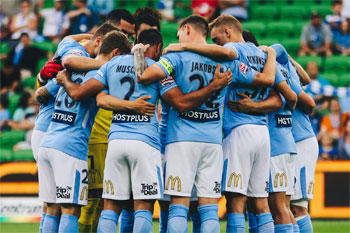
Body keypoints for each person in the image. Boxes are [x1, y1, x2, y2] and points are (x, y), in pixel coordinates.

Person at [138, 15, 278, 233]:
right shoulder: (227, 62)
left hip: (180, 140)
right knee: (209, 209)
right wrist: (271, 54)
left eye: (178, 35)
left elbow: (146, 76)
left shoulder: (175, 58)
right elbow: (265, 80)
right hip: (212, 142)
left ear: (186, 30)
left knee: (179, 207)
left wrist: (140, 56)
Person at [35, 30, 131, 233]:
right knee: (71, 209)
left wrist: (45, 78)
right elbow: (99, 99)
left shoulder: (68, 70)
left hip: (48, 143)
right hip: (71, 147)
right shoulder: (100, 76)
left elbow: (40, 94)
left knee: (52, 208)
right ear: (115, 54)